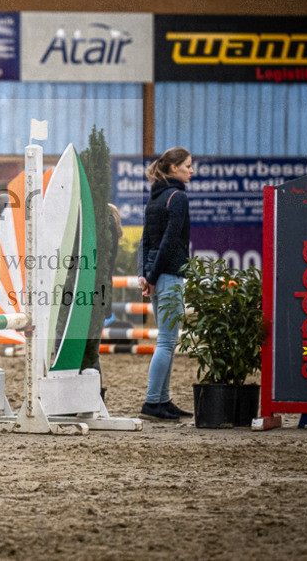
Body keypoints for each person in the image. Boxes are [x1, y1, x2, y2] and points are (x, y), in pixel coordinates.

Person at [136, 147, 194, 421]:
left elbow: (145, 241)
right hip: (168, 274)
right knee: (168, 341)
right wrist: (154, 276)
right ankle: (151, 402)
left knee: (166, 340)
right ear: (174, 169)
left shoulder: (156, 198)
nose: (191, 171)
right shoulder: (178, 197)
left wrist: (145, 275)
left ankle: (162, 399)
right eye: (188, 166)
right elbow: (170, 243)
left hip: (157, 275)